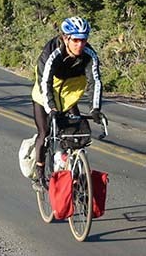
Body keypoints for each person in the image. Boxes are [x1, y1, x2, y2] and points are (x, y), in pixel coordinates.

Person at [31, 16, 103, 190]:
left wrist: (95, 109)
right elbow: (44, 81)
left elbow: (95, 82)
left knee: (76, 132)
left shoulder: (89, 55)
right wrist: (51, 108)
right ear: (65, 38)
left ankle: (72, 168)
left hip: (69, 95)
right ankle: (39, 174)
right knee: (45, 132)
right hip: (45, 94)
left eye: (84, 40)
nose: (80, 44)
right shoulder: (52, 52)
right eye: (76, 40)